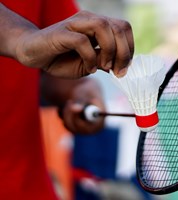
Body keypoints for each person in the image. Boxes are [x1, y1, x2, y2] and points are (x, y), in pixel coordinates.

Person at [0, 1, 134, 199]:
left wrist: (79, 89)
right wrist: (21, 38)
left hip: (29, 188)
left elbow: (52, 62)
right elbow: (31, 42)